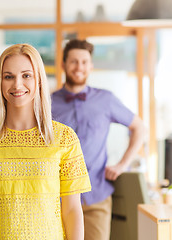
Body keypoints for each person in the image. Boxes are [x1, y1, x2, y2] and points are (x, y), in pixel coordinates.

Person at [0, 43, 91, 239]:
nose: (17, 85)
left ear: (39, 81)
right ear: (0, 82)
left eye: (26, 75)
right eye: (8, 77)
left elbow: (72, 210)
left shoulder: (64, 138)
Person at [51, 39, 146, 240]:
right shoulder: (47, 103)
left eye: (84, 62)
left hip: (97, 198)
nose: (79, 67)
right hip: (56, 199)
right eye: (74, 61)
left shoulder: (106, 100)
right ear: (63, 64)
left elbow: (140, 128)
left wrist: (122, 164)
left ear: (91, 66)